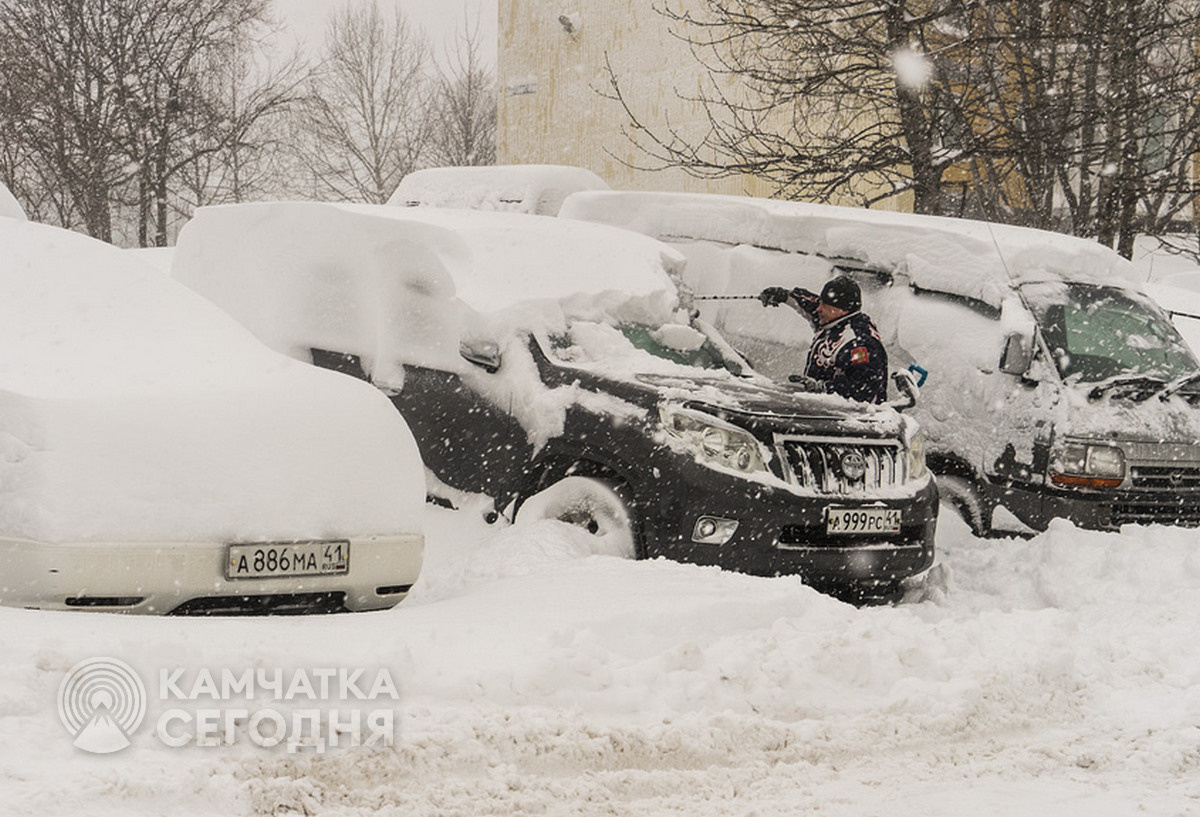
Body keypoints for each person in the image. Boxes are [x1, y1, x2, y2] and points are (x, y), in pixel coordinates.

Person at [759, 276, 889, 403]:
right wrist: (784, 295)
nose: (818, 308)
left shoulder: (859, 345)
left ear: (842, 310)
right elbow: (810, 303)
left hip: (848, 418)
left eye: (824, 305)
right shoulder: (833, 318)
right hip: (815, 407)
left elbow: (863, 389)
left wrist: (822, 388)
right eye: (821, 302)